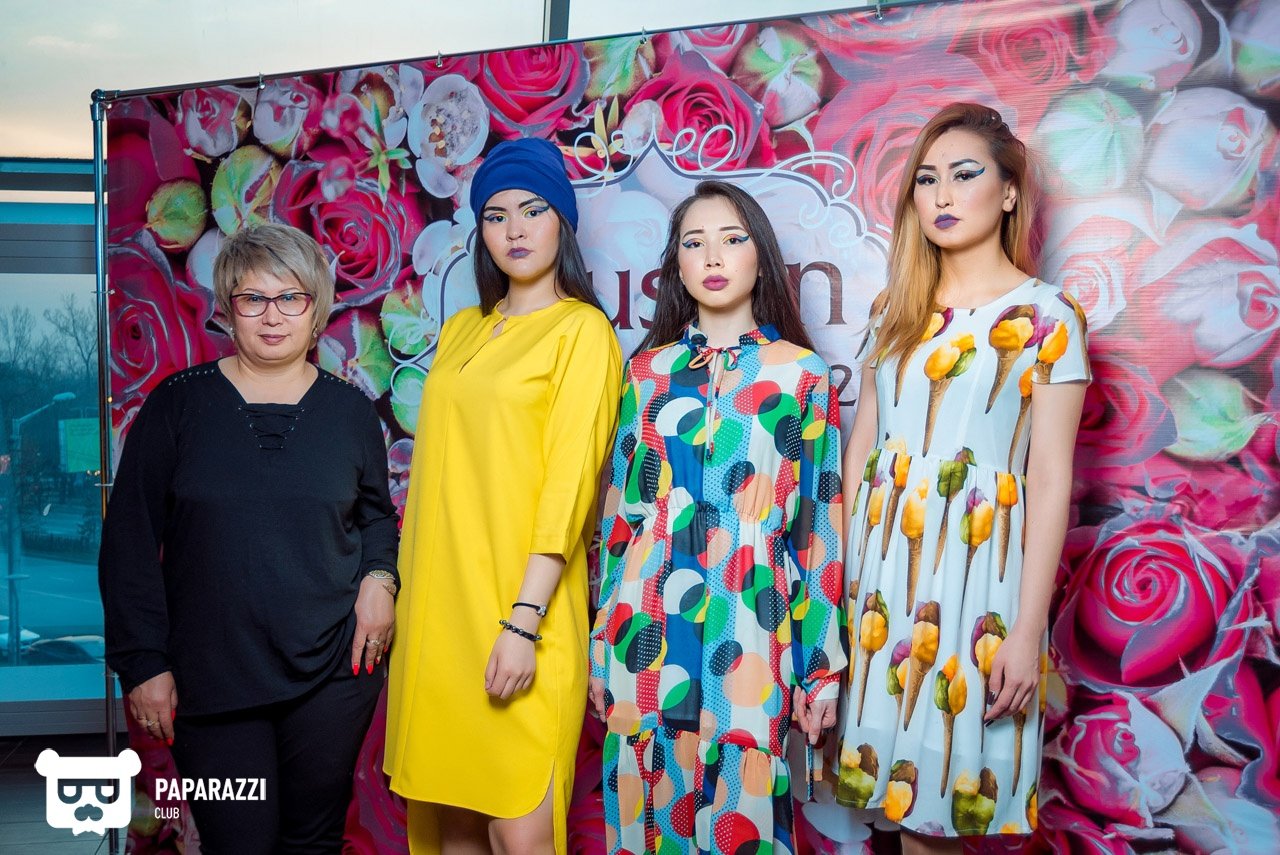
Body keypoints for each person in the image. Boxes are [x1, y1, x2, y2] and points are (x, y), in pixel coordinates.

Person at [833, 103, 1090, 851]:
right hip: (880, 580)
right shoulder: (895, 308)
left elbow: (1050, 480)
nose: (942, 195)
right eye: (926, 179)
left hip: (979, 584)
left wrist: (1027, 630)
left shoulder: (1049, 316)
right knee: (901, 810)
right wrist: (838, 593)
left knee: (944, 813)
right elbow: (862, 448)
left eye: (965, 174)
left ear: (1009, 192)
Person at [99, 222, 400, 854]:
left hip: (333, 675)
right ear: (227, 307)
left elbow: (377, 517)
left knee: (313, 841)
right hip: (209, 678)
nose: (272, 315)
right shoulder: (177, 406)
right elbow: (129, 540)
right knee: (237, 844)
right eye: (253, 298)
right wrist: (144, 662)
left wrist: (380, 580)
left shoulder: (350, 412)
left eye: (290, 298)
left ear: (315, 310)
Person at [588, 180, 847, 854]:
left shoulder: (801, 374)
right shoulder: (646, 372)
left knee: (740, 807)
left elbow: (817, 528)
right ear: (675, 264)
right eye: (693, 242)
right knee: (649, 810)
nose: (712, 256)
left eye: (732, 239)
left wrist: (821, 667)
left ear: (761, 256)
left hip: (749, 622)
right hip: (645, 623)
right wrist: (601, 642)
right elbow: (620, 521)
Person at [384, 137, 622, 855]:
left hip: (521, 610)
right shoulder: (462, 330)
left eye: (533, 209)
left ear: (563, 222)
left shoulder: (582, 331)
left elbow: (569, 489)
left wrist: (523, 623)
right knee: (455, 830)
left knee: (520, 833)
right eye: (495, 215)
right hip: (439, 616)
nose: (515, 229)